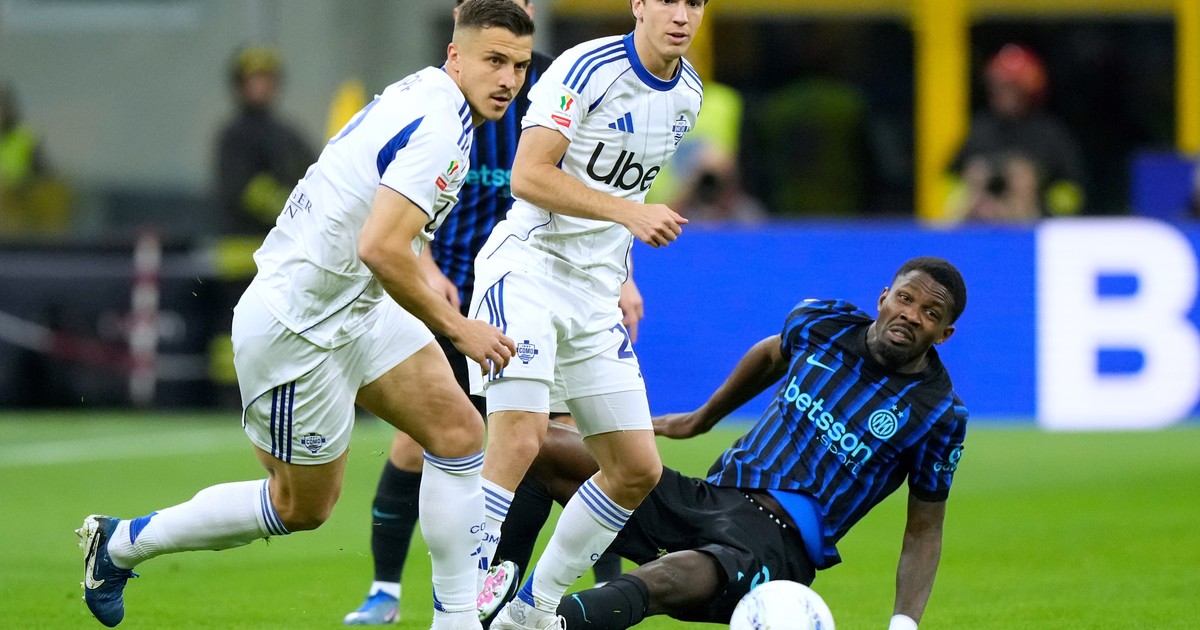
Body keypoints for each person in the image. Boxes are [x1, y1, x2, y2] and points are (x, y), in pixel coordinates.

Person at [76, 2, 534, 629]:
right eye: (494, 60)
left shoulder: (429, 94)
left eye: (519, 66)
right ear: (456, 56)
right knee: (301, 508)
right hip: (299, 329)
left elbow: (378, 222)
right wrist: (458, 329)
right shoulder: (441, 128)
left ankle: (454, 619)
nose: (508, 79)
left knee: (458, 434)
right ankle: (121, 544)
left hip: (358, 309)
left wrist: (422, 267)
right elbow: (379, 247)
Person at [341, 0, 632, 625]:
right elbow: (390, 199)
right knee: (417, 444)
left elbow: (598, 187)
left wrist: (623, 278)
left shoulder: (559, 83)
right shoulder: (440, 95)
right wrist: (425, 267)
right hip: (449, 291)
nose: (508, 74)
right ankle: (385, 591)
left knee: (557, 440)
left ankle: (558, 589)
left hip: (536, 286)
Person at [511, 256, 969, 630]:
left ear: (944, 334)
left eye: (931, 313)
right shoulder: (823, 323)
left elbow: (925, 528)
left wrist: (903, 625)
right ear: (884, 297)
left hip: (778, 547)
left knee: (665, 579)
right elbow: (770, 354)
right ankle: (491, 594)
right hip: (711, 498)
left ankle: (533, 623)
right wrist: (702, 419)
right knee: (545, 445)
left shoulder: (939, 414)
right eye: (905, 298)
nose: (912, 315)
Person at [468, 1, 707, 628]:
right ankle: (459, 604)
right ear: (639, 5)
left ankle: (533, 608)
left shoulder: (688, 95)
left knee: (635, 468)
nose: (682, 15)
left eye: (696, 2)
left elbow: (629, 192)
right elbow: (527, 175)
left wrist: (622, 272)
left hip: (595, 294)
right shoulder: (586, 67)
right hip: (529, 269)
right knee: (521, 434)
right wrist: (630, 214)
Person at [948, 43, 1086, 222]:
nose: (1001, 93)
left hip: (1034, 228)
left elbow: (1074, 191)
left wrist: (1037, 199)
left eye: (1010, 87)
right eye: (996, 86)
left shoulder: (1049, 134)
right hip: (977, 227)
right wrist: (970, 193)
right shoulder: (980, 129)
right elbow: (947, 181)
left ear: (1028, 89)